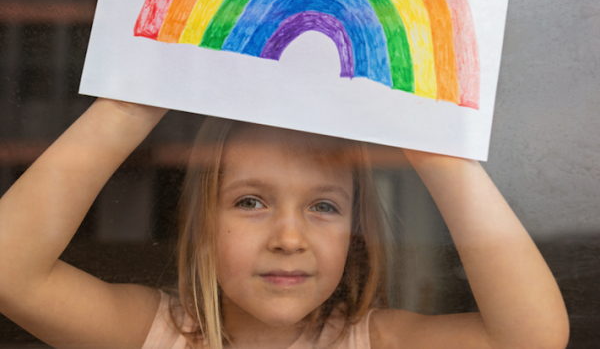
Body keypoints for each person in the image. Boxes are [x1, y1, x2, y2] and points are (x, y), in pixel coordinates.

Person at [0, 98, 569, 349]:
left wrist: (441, 158)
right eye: (250, 202)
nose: (289, 239)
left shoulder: (377, 340)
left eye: (324, 207)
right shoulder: (153, 333)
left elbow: (532, 337)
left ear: (356, 233)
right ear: (200, 225)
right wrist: (128, 107)